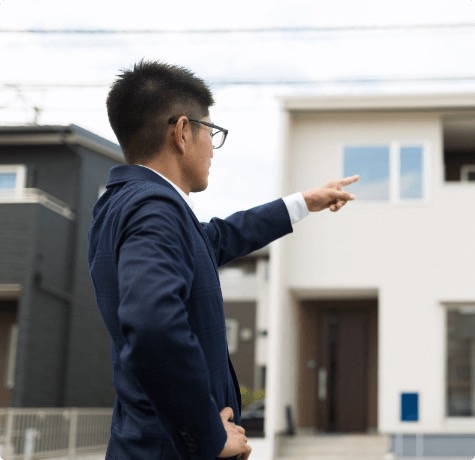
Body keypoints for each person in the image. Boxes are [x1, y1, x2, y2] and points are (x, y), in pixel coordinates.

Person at [88, 60, 359, 460]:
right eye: (210, 132)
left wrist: (303, 202)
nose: (213, 147)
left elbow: (215, 238)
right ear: (182, 132)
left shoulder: (126, 203)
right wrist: (206, 436)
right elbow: (153, 326)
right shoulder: (154, 209)